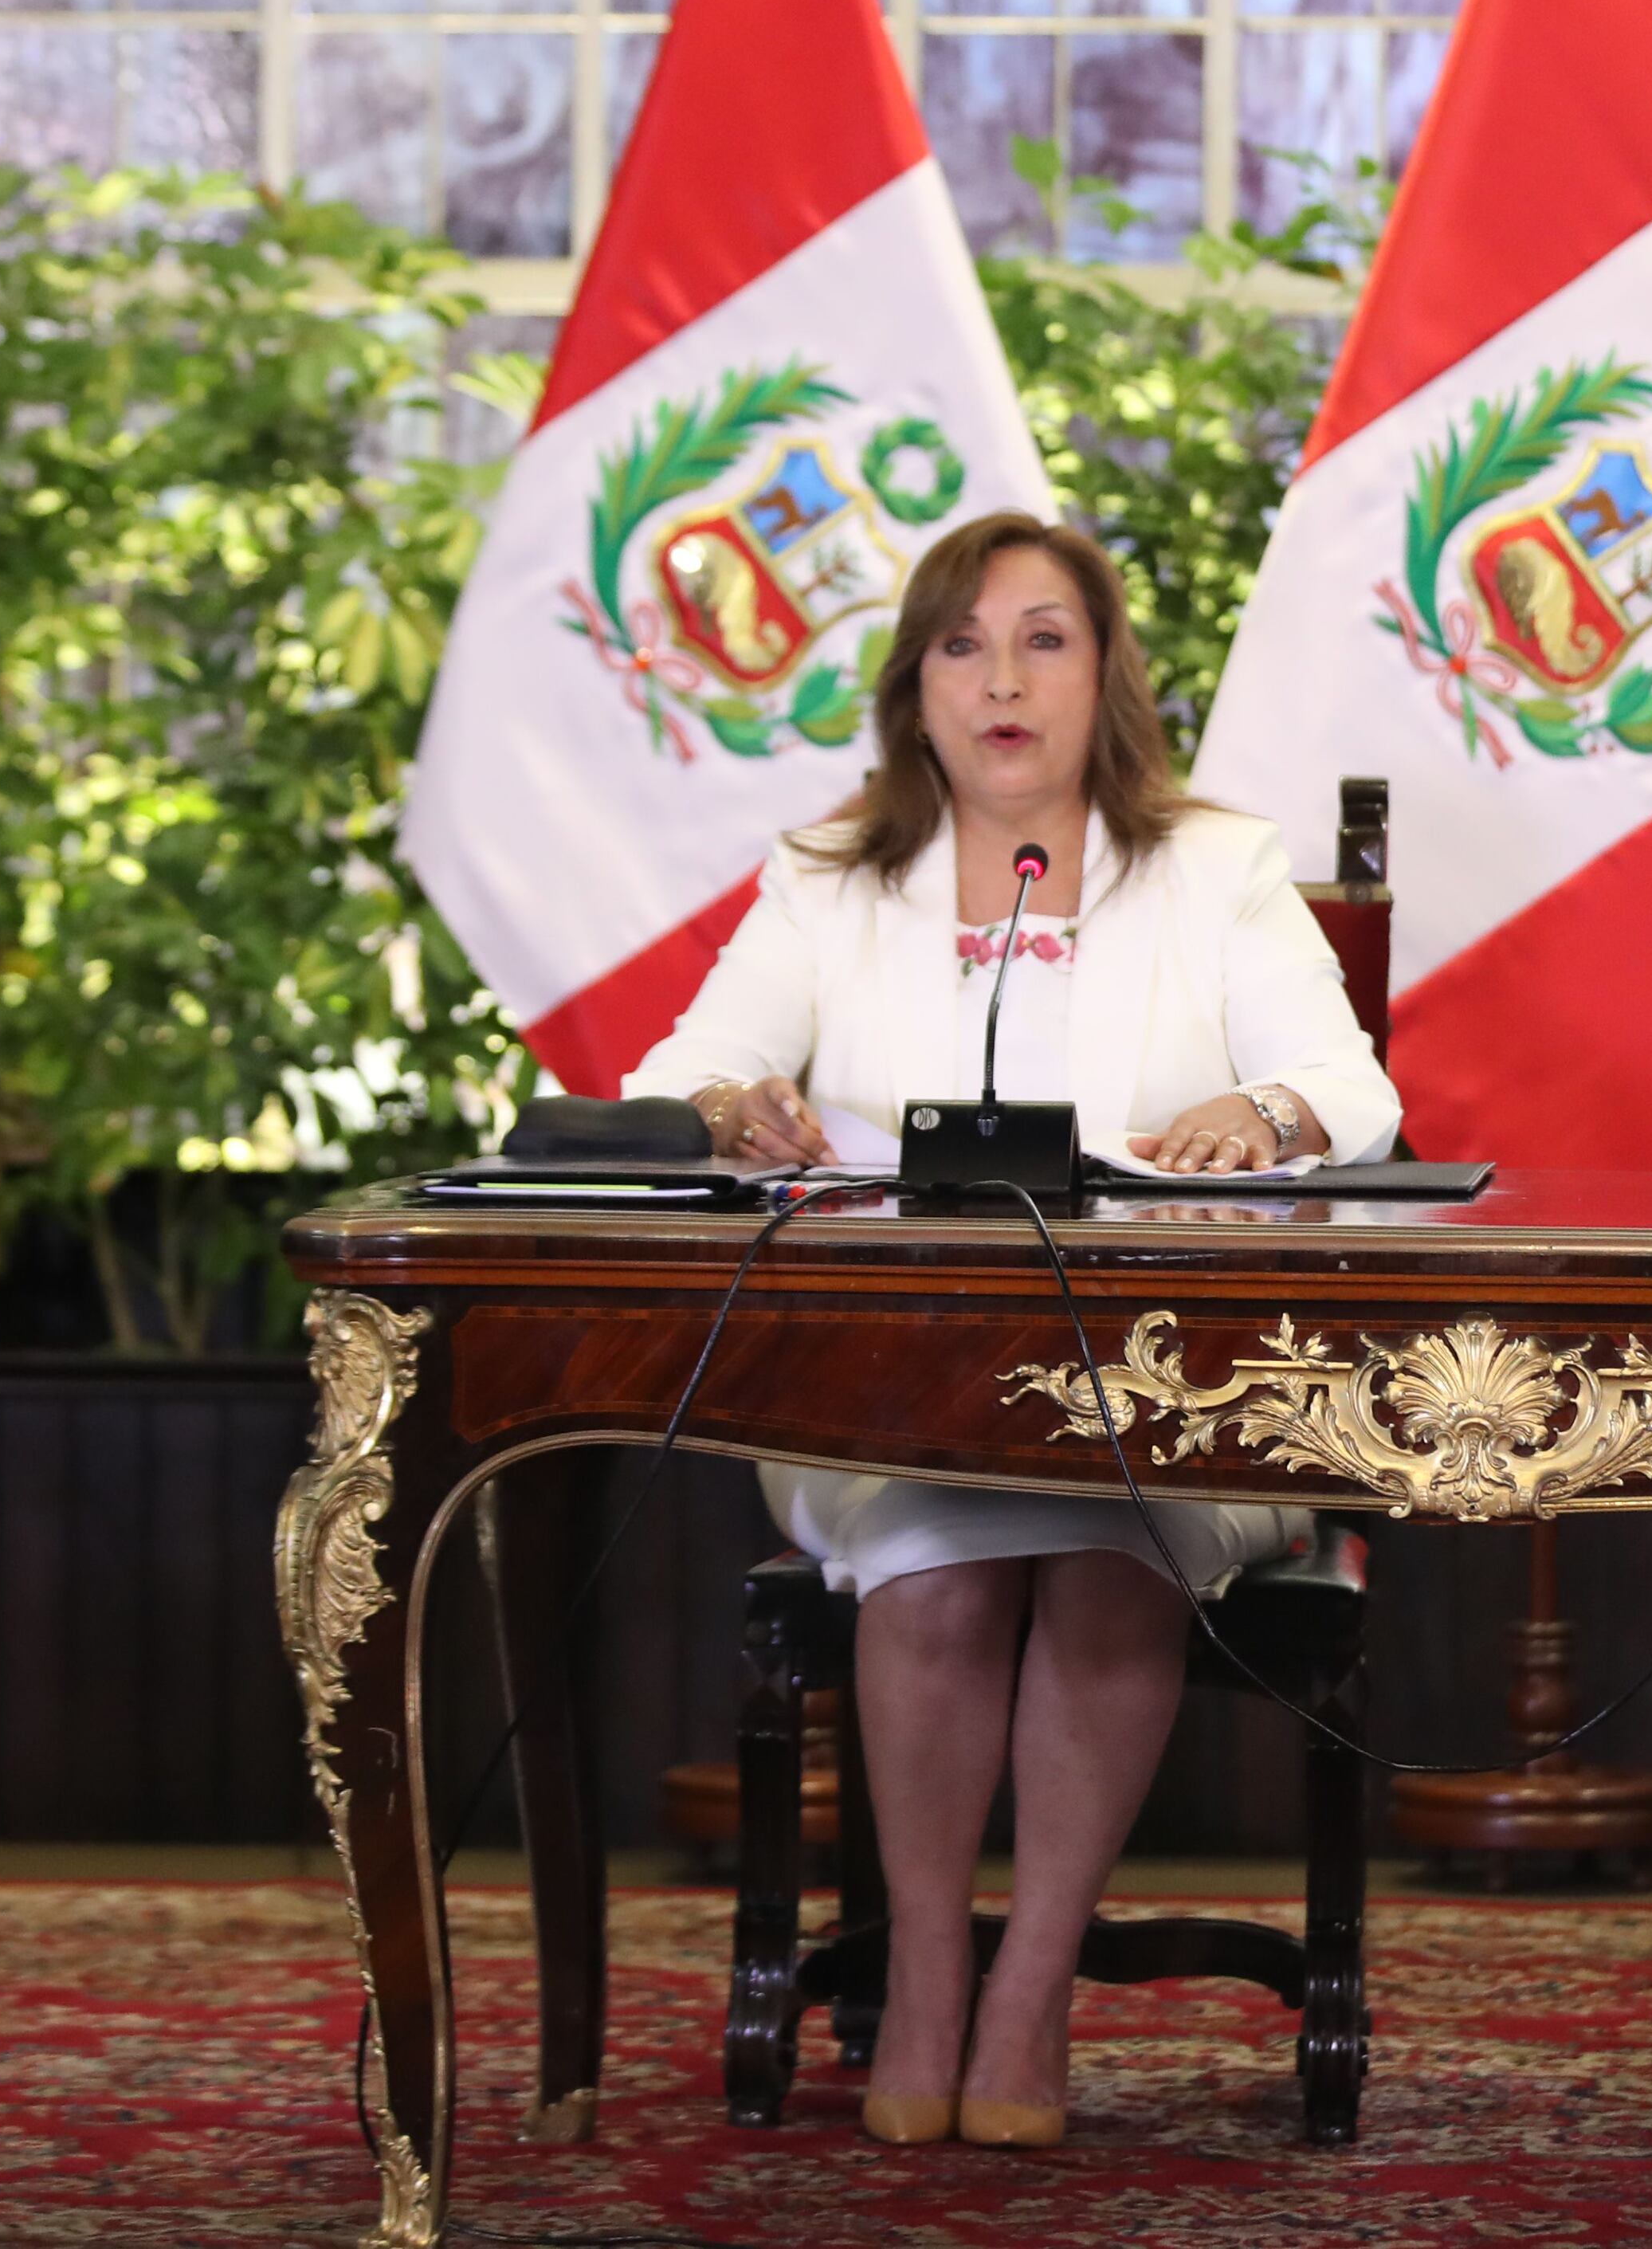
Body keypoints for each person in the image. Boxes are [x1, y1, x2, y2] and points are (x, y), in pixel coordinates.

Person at [622, 511, 1403, 2150]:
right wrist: (727, 1103)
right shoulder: (832, 876)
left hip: (1174, 1389)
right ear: (915, 688)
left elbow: (1355, 1096)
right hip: (886, 1391)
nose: (1003, 679)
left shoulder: (1214, 866)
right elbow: (668, 1078)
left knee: (1105, 1543)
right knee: (951, 1550)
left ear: (1103, 674)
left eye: (1045, 638)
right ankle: (920, 1976)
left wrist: (1257, 1113)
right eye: (963, 643)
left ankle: (1029, 1985)